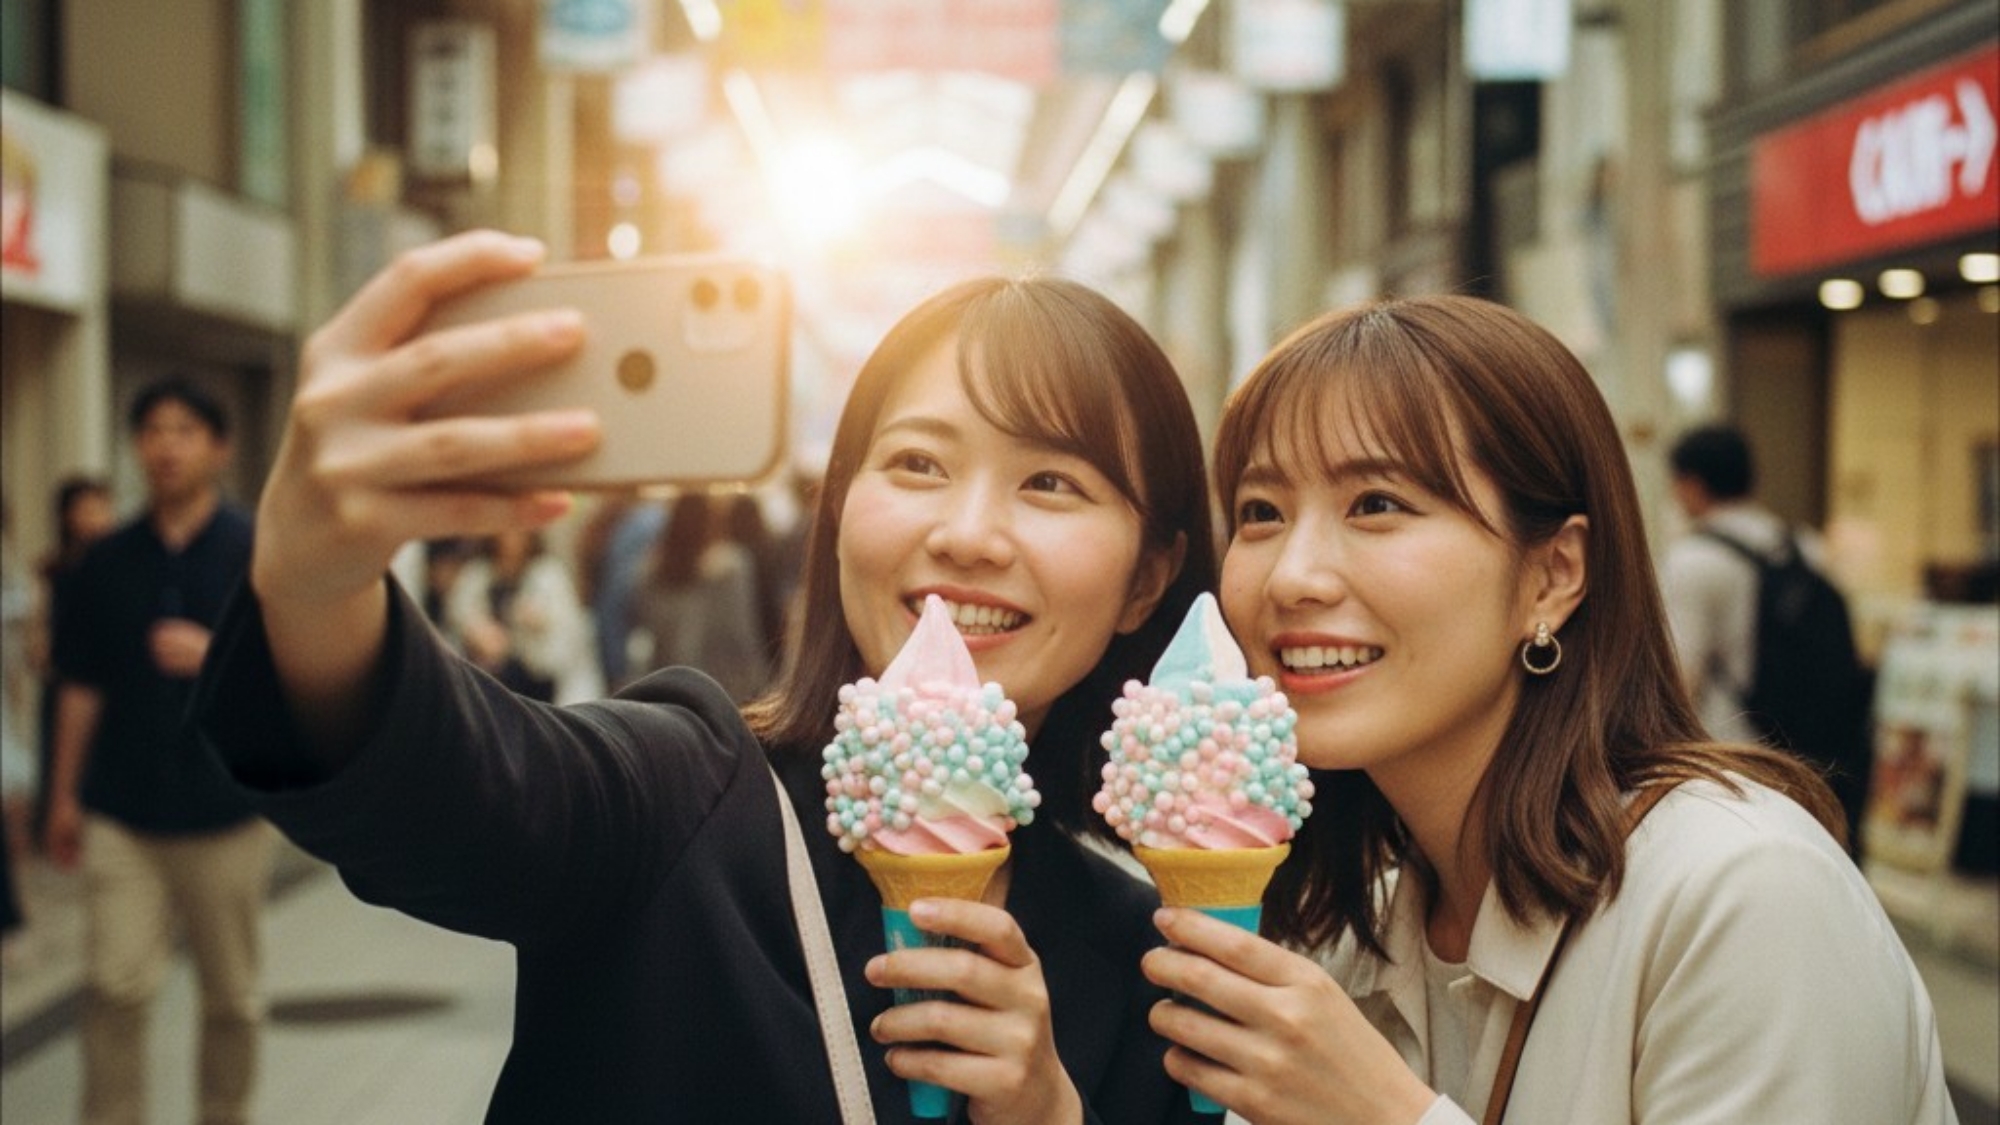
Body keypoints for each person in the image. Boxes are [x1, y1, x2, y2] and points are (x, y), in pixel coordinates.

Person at [190, 229, 1217, 1123]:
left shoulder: (1153, 965)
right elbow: (458, 787)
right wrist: (314, 580)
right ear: (838, 512)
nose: (966, 533)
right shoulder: (683, 800)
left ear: (1146, 580)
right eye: (915, 464)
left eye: (1050, 482)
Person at [1141, 296, 1955, 1123]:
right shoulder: (1354, 931)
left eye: (1377, 503)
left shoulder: (1745, 894)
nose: (1291, 576)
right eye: (1261, 513)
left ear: (1555, 573)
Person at [44, 377, 274, 1125]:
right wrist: (63, 795)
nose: (166, 444)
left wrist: (216, 654)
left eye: (183, 429)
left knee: (234, 997)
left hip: (228, 807)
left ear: (218, 447)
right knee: (113, 987)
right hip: (122, 808)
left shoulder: (257, 549)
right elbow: (80, 687)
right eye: (152, 430)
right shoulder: (104, 560)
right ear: (137, 446)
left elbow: (298, 671)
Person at [1661, 423, 1869, 848]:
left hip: (1733, 752)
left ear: (1690, 484)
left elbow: (1683, 678)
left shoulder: (1693, 560)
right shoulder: (1802, 545)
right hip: (1809, 754)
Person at [631, 490, 773, 702]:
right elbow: (741, 633)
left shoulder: (650, 570)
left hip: (668, 687)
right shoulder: (731, 566)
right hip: (723, 687)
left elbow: (646, 629)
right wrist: (760, 686)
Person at [32, 474, 114, 839]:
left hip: (111, 683)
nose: (95, 517)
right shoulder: (55, 569)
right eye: (86, 509)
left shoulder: (122, 564)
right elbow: (40, 628)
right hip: (66, 678)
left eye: (101, 507)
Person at [445, 527, 604, 705]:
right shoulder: (479, 573)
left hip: (535, 678)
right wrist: (477, 630)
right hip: (489, 676)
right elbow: (458, 613)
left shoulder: (548, 575)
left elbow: (569, 630)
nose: (512, 540)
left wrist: (540, 622)